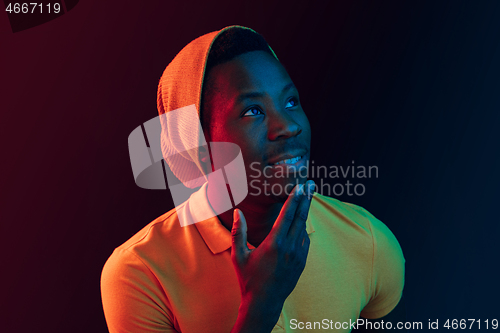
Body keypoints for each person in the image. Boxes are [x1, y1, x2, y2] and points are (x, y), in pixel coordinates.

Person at [101, 25, 406, 332]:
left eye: (290, 102)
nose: (288, 126)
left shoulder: (368, 241)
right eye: (253, 111)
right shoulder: (141, 272)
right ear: (199, 146)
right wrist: (262, 302)